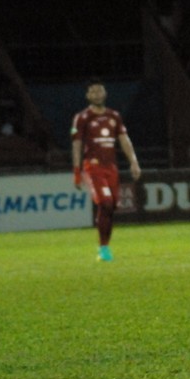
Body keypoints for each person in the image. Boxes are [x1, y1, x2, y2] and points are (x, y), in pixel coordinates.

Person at [71, 78, 141, 262]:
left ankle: (105, 246)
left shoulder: (114, 116)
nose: (97, 94)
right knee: (106, 202)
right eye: (93, 91)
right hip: (92, 166)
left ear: (105, 93)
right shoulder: (82, 117)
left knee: (111, 207)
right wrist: (77, 171)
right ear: (87, 95)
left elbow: (124, 140)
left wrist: (133, 161)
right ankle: (102, 249)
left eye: (99, 91)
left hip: (111, 167)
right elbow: (77, 144)